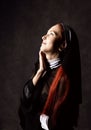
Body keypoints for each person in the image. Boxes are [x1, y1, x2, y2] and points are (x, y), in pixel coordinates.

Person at [18, 23, 82, 130]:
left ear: (63, 45)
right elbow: (25, 99)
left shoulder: (64, 79)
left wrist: (38, 119)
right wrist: (39, 72)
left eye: (51, 34)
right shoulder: (41, 68)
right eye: (46, 33)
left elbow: (60, 123)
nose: (43, 37)